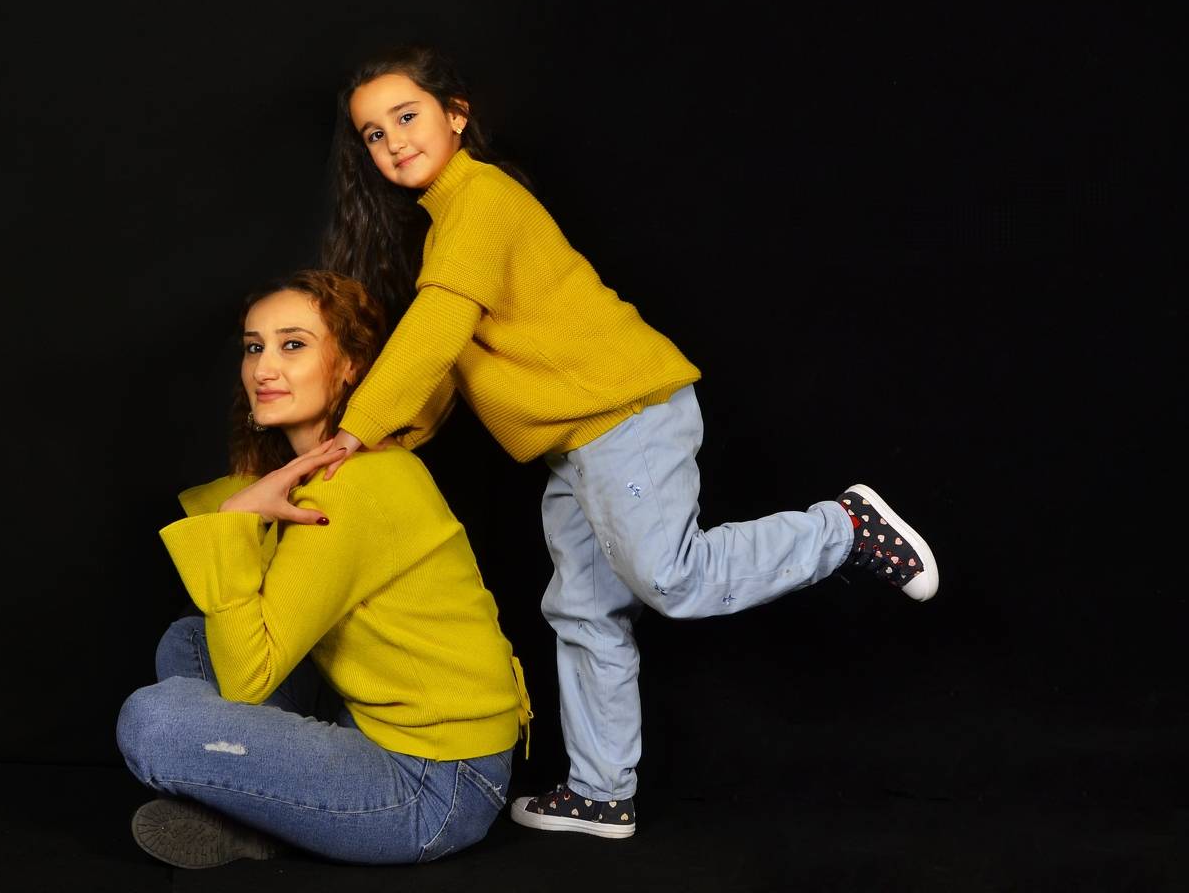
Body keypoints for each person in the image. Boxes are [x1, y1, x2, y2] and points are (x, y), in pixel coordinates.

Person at [318, 44, 939, 839]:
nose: (394, 141)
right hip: (577, 445)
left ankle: (845, 529)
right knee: (583, 611)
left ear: (457, 115)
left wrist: (355, 430)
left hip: (627, 419)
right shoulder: (449, 224)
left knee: (671, 579)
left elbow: (436, 330)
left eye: (406, 116)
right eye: (374, 133)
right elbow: (451, 365)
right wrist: (383, 441)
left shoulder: (481, 199)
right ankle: (600, 792)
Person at [115, 269, 531, 868]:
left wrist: (235, 520)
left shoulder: (351, 487)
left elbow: (247, 681)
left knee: (152, 723)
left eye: (293, 344)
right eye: (253, 347)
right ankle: (277, 811)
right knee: (190, 638)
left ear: (351, 366)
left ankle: (262, 808)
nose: (263, 368)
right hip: (367, 728)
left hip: (436, 785)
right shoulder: (325, 469)